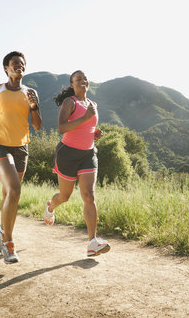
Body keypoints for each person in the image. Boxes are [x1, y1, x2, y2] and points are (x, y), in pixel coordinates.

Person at [0, 51, 42, 264]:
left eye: (22, 64)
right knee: (14, 189)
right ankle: (8, 242)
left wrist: (35, 107)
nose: (19, 66)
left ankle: (1, 230)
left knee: (9, 195)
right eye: (15, 63)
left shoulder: (30, 92)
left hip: (21, 148)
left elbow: (37, 125)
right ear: (6, 68)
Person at [44, 70, 110, 257]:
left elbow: (87, 126)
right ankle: (50, 207)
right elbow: (62, 128)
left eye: (85, 78)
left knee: (89, 196)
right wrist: (85, 118)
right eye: (78, 79)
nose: (83, 81)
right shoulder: (69, 102)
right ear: (72, 85)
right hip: (67, 154)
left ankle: (92, 242)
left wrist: (95, 132)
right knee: (64, 197)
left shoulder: (92, 104)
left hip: (88, 154)